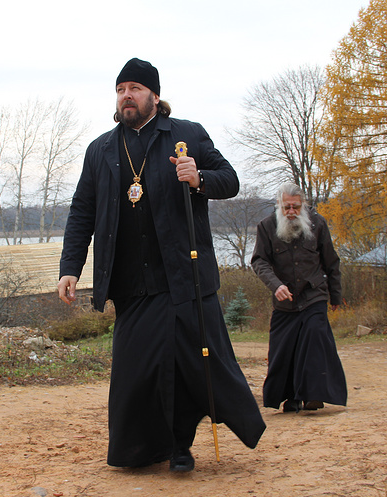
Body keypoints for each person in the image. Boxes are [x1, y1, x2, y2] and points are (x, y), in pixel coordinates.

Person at [58, 58, 265, 471]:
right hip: (131, 283)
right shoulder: (101, 149)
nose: (126, 96)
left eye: (135, 88)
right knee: (137, 372)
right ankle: (141, 449)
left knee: (186, 366)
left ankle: (179, 448)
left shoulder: (187, 135)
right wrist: (70, 267)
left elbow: (230, 180)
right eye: (120, 90)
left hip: (182, 277)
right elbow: (83, 211)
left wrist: (199, 178)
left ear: (154, 95)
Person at [250, 183, 347, 413]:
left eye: (296, 206)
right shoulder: (266, 227)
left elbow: (331, 261)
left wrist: (335, 296)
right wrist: (276, 285)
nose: (291, 211)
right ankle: (290, 397)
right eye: (287, 207)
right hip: (284, 299)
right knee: (284, 350)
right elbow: (259, 261)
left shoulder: (318, 224)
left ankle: (313, 395)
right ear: (279, 205)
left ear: (303, 205)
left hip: (314, 293)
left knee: (314, 338)